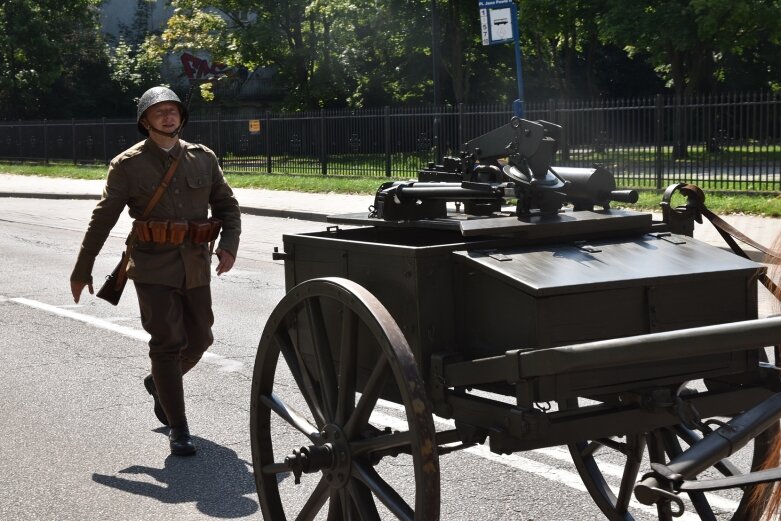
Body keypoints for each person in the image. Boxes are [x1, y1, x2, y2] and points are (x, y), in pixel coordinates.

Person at [70, 86, 241, 456]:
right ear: (145, 120)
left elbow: (227, 206)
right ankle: (178, 428)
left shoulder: (202, 158)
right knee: (166, 345)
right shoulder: (127, 165)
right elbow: (102, 220)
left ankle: (159, 383)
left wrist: (229, 245)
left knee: (201, 341)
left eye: (173, 110)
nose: (168, 116)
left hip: (195, 265)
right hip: (151, 268)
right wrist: (82, 269)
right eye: (159, 111)